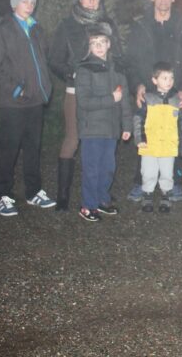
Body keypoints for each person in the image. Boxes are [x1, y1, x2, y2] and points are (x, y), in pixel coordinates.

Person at [48, 0, 122, 211]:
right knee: (72, 139)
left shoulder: (107, 24)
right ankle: (63, 195)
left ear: (100, 0)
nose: (91, 0)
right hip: (76, 91)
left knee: (104, 142)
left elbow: (118, 55)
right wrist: (71, 73)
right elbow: (54, 59)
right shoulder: (67, 25)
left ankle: (101, 193)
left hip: (106, 92)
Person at [0, 0, 55, 216]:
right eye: (24, 0)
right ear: (14, 3)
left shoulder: (37, 29)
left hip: (36, 100)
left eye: (32, 1)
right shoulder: (3, 29)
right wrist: (15, 89)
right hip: (13, 103)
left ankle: (34, 191)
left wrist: (45, 87)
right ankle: (2, 195)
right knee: (9, 149)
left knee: (33, 148)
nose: (29, 5)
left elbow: (42, 62)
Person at [125, 0, 182, 202]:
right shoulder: (140, 26)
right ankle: (141, 182)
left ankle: (171, 182)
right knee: (146, 132)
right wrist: (138, 86)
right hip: (149, 91)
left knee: (171, 136)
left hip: (174, 92)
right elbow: (131, 61)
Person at [75, 24, 132, 221]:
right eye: (94, 43)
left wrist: (127, 125)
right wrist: (110, 98)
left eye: (102, 42)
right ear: (89, 47)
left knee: (108, 167)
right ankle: (87, 205)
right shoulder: (84, 69)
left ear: (109, 44)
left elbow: (124, 100)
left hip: (112, 129)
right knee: (92, 168)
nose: (98, 46)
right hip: (92, 129)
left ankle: (102, 200)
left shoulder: (117, 68)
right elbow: (83, 101)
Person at [133, 62, 182, 213]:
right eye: (164, 78)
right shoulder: (148, 98)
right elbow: (138, 119)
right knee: (148, 171)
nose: (169, 81)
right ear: (154, 80)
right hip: (149, 144)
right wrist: (139, 139)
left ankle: (166, 195)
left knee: (167, 172)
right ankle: (147, 195)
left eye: (171, 78)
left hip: (169, 145)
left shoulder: (177, 100)